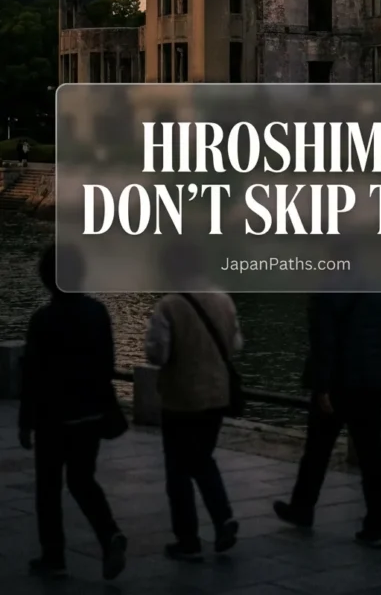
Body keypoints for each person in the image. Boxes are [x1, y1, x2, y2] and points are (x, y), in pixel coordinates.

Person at [18, 244, 127, 580]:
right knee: (82, 481)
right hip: (91, 414)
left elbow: (33, 376)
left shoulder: (43, 320)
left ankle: (54, 556)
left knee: (48, 488)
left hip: (53, 418)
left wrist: (26, 421)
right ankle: (108, 533)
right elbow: (107, 365)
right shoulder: (98, 313)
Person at [273, 293, 381, 547]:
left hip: (338, 383)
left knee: (317, 450)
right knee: (372, 455)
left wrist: (322, 386)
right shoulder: (377, 290)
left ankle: (302, 508)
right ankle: (376, 525)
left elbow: (322, 342)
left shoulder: (326, 293)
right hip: (371, 381)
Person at [145, 288, 243, 561]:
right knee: (202, 458)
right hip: (217, 395)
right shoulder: (224, 300)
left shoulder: (169, 305)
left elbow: (157, 354)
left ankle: (188, 538)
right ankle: (223, 519)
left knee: (177, 469)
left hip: (181, 398)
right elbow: (236, 344)